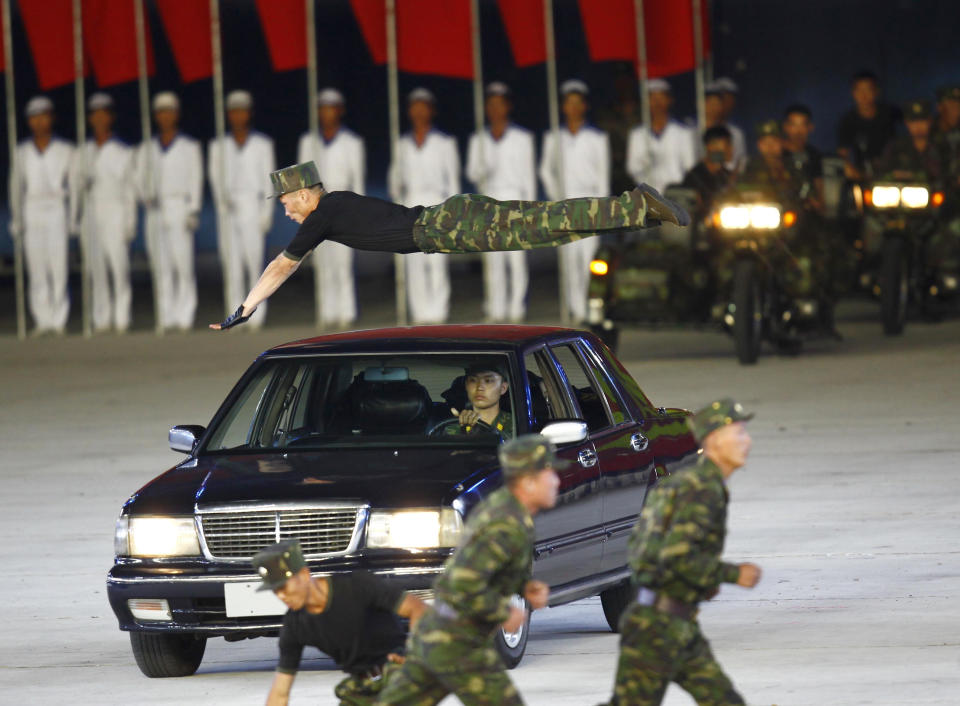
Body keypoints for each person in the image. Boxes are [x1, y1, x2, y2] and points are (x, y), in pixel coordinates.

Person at [209, 162, 687, 330]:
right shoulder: (331, 210)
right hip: (449, 226)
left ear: (304, 193)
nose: (286, 212)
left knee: (548, 221)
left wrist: (247, 307)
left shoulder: (325, 211)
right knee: (548, 228)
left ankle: (634, 205)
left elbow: (282, 265)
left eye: (287, 203)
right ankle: (642, 215)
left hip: (446, 226)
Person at [376, 434, 561, 705]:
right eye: (549, 473)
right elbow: (462, 583)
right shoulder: (503, 523)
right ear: (528, 481)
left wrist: (525, 587)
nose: (556, 480)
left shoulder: (516, 516)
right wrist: (504, 612)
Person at [604, 398, 762, 706]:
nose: (748, 441)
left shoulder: (688, 484)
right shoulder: (701, 490)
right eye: (739, 434)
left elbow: (640, 549)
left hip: (661, 621)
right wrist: (732, 574)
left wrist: (698, 583)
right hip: (661, 627)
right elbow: (677, 557)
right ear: (715, 440)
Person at [254, 539, 427, 706]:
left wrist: (414, 655)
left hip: (401, 673)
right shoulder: (295, 625)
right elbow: (280, 692)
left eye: (284, 587)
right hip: (363, 686)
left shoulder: (356, 586)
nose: (281, 596)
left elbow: (418, 609)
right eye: (275, 591)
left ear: (305, 575)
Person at [539, 79, 611, 323]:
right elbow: (546, 171)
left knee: (590, 260)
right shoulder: (554, 137)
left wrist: (601, 209)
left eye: (577, 103)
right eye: (569, 103)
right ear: (563, 107)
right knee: (569, 262)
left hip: (590, 205)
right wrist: (555, 198)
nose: (573, 107)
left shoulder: (597, 138)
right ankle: (576, 308)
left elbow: (603, 175)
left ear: (584, 106)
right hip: (565, 205)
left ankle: (591, 308)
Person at [466, 81, 536, 323]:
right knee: (493, 260)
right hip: (488, 203)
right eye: (491, 105)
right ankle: (496, 308)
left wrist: (530, 211)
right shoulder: (479, 139)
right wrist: (482, 170)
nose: (495, 109)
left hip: (514, 202)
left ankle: (517, 307)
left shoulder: (522, 138)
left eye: (499, 104)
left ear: (507, 106)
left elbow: (528, 177)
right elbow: (472, 173)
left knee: (516, 260)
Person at [389, 87, 459, 324]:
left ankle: (438, 310)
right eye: (414, 106)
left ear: (431, 110)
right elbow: (395, 178)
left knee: (437, 261)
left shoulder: (444, 142)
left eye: (423, 106)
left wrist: (452, 213)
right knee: (414, 262)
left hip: (437, 203)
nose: (419, 111)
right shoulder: (402, 144)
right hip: (411, 204)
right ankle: (420, 312)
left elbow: (453, 180)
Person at [298, 87, 365, 328]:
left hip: (343, 205)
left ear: (340, 111)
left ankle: (346, 311)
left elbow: (357, 180)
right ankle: (327, 311)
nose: (327, 113)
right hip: (318, 205)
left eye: (331, 108)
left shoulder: (352, 142)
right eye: (323, 108)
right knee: (323, 262)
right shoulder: (309, 142)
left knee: (342, 261)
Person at [208, 90, 275, 330]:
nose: (238, 116)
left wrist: (267, 213)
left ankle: (256, 315)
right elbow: (215, 179)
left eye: (242, 111)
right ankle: (235, 315)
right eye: (234, 111)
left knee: (255, 265)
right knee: (232, 265)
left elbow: (269, 180)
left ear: (249, 113)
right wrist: (221, 206)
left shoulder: (262, 144)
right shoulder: (219, 145)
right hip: (230, 206)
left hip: (252, 204)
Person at [136, 92, 203, 331]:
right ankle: (166, 316)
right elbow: (139, 178)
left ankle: (184, 315)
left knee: (182, 264)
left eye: (169, 111)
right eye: (161, 112)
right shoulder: (147, 148)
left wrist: (193, 209)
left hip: (178, 206)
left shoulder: (188, 146)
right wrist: (145, 195)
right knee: (161, 265)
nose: (165, 116)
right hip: (156, 208)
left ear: (176, 114)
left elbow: (195, 177)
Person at [10, 96, 75, 335]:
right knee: (36, 268)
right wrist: (17, 218)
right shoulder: (21, 152)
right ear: (29, 121)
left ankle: (59, 319)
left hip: (56, 206)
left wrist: (73, 217)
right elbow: (16, 187)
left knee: (57, 266)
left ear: (52, 118)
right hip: (32, 207)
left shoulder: (66, 149)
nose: (40, 121)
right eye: (34, 117)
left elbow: (75, 186)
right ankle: (42, 318)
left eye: (44, 115)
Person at [74, 92, 137, 333]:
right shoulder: (82, 151)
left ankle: (122, 316)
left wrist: (130, 221)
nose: (99, 119)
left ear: (110, 117)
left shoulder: (122, 151)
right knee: (96, 269)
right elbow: (76, 190)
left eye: (103, 114)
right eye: (95, 115)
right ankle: (101, 317)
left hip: (115, 212)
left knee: (118, 267)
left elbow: (129, 190)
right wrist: (76, 219)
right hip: (91, 213)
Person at [626, 78, 697, 194]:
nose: (657, 103)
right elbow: (632, 167)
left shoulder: (683, 133)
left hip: (676, 193)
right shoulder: (637, 134)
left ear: (670, 100)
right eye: (653, 98)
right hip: (647, 194)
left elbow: (690, 167)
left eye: (661, 98)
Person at [835, 70, 900, 180]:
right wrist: (853, 172)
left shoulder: (890, 113)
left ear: (876, 92)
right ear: (853, 93)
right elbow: (842, 155)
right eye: (859, 90)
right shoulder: (848, 121)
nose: (863, 95)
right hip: (862, 174)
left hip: (892, 173)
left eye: (868, 90)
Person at [877, 100, 946, 182]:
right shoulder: (895, 147)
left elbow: (947, 176)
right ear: (907, 123)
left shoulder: (942, 146)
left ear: (930, 121)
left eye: (922, 121)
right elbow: (881, 172)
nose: (918, 126)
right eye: (913, 121)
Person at [444, 362, 514, 439]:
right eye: (473, 380)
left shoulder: (515, 424)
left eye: (488, 381)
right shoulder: (453, 427)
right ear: (466, 385)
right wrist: (462, 433)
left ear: (503, 388)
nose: (479, 387)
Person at [781, 104, 825, 211]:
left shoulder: (814, 155)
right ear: (786, 127)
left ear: (810, 128)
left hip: (806, 209)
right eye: (794, 125)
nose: (798, 131)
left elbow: (819, 184)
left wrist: (820, 204)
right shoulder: (778, 152)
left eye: (802, 125)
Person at [681, 125, 735, 212]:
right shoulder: (693, 178)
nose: (731, 149)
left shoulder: (729, 175)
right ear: (711, 147)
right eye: (727, 145)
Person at [712, 77, 747, 172]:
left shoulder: (736, 133)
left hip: (729, 181)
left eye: (729, 99)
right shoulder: (696, 129)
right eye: (721, 99)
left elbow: (740, 164)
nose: (725, 104)